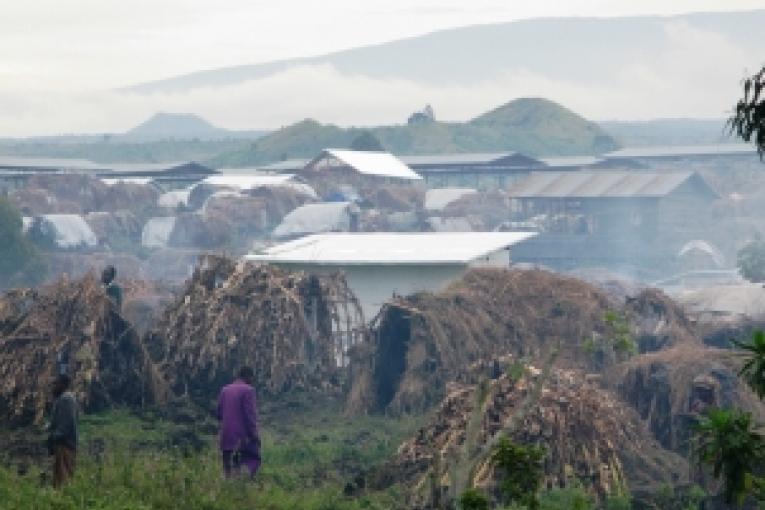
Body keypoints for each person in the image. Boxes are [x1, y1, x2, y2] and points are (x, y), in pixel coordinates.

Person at [217, 366, 261, 479]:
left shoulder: (224, 390)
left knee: (228, 472)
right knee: (244, 469)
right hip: (242, 439)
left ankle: (227, 493)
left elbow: (219, 414)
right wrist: (255, 435)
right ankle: (242, 492)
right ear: (248, 377)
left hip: (226, 438)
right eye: (252, 378)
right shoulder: (248, 390)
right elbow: (250, 416)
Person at [47, 374, 78, 488]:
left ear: (63, 385)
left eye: (55, 384)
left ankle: (64, 501)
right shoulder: (61, 398)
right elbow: (57, 420)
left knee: (64, 476)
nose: (53, 387)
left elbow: (67, 423)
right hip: (61, 443)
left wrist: (55, 436)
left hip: (65, 444)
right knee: (59, 476)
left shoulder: (66, 398)